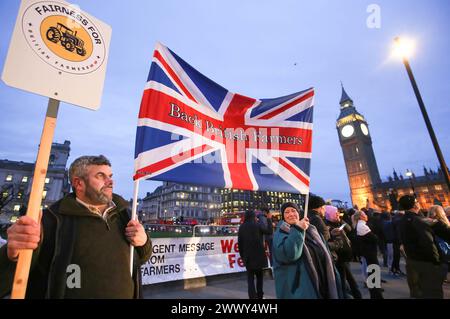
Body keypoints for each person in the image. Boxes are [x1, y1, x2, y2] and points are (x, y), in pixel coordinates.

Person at [0, 155, 152, 298]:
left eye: (110, 176)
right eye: (101, 176)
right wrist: (11, 254)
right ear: (79, 183)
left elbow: (141, 257)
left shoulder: (125, 214)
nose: (110, 181)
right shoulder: (50, 220)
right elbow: (8, 282)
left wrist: (143, 242)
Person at [272, 202, 348, 299]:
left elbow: (323, 250)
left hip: (321, 282)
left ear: (299, 213)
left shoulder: (311, 230)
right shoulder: (281, 233)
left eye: (293, 211)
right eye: (286, 212)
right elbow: (291, 254)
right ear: (283, 216)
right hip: (299, 288)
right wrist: (299, 229)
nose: (291, 214)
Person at [398, 195, 449, 298]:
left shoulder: (403, 220)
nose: (418, 203)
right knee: (433, 293)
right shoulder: (418, 220)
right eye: (416, 201)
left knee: (421, 293)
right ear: (414, 205)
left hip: (413, 261)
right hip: (427, 264)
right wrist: (437, 262)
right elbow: (428, 242)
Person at [324, 205, 362, 299]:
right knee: (344, 282)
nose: (338, 214)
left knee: (349, 281)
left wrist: (340, 221)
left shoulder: (338, 222)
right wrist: (337, 241)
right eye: (335, 213)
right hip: (339, 259)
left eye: (337, 212)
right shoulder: (327, 226)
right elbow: (330, 244)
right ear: (329, 214)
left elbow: (349, 229)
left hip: (345, 257)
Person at [238, 210, 272, 299]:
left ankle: (252, 297)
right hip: (259, 256)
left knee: (250, 279)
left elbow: (240, 244)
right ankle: (260, 296)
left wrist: (243, 257)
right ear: (253, 216)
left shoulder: (242, 227)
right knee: (259, 278)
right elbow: (269, 231)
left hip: (248, 257)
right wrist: (268, 219)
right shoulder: (258, 225)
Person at [353, 210, 384, 299]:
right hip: (369, 253)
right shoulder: (362, 226)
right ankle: (376, 295)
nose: (366, 215)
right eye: (364, 214)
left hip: (368, 253)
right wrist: (376, 237)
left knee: (373, 273)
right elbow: (374, 238)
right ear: (361, 217)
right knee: (374, 273)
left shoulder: (360, 225)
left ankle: (375, 294)